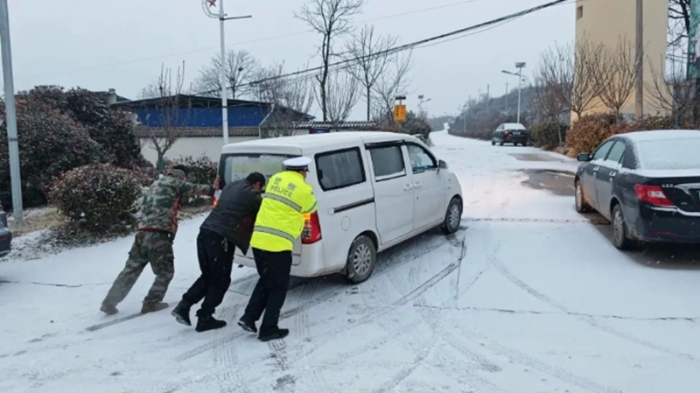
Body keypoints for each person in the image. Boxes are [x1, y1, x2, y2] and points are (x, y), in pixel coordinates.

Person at [100, 165, 215, 315]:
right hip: (159, 234)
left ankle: (109, 302)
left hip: (142, 233)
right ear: (181, 177)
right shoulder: (174, 182)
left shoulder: (154, 185)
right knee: (165, 271)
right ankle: (151, 302)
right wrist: (215, 187)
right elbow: (198, 189)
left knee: (130, 270)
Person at [171, 172, 266, 332]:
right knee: (220, 280)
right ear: (257, 184)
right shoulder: (253, 195)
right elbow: (264, 214)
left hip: (205, 232)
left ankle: (183, 306)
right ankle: (205, 317)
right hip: (221, 238)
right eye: (260, 187)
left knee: (208, 275)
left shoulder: (231, 186)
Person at [237, 157, 317, 342]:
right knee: (278, 287)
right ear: (302, 171)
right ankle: (268, 329)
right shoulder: (304, 188)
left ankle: (249, 317)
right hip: (278, 245)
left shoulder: (275, 180)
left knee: (266, 280)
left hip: (258, 241)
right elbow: (311, 208)